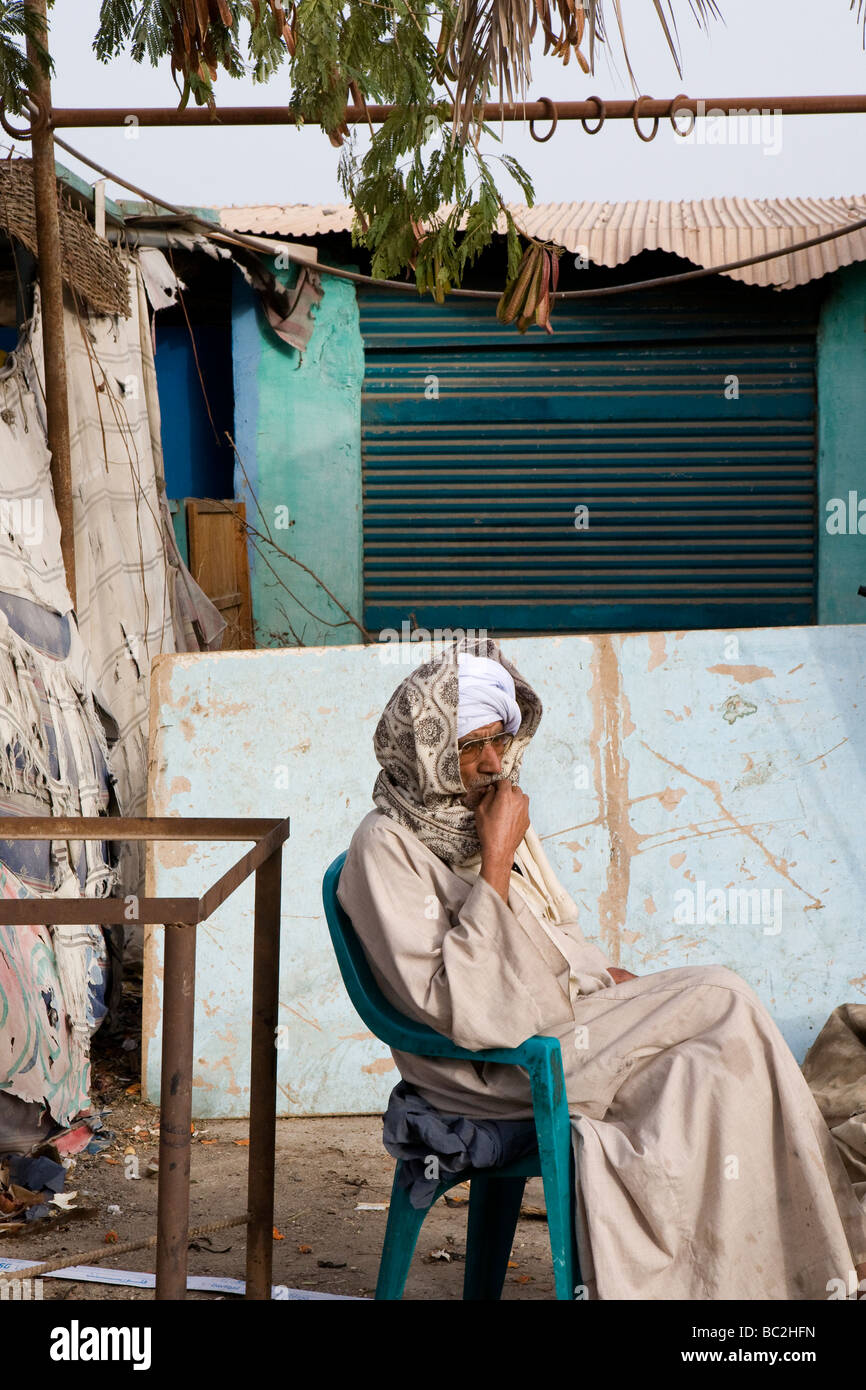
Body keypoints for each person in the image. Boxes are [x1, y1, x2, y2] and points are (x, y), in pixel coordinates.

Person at [337, 636, 866, 1299]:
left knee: (710, 1072)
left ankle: (752, 1282)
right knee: (725, 994)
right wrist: (497, 863)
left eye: (499, 740)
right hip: (488, 1068)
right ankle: (846, 1240)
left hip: (561, 1026)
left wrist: (599, 974)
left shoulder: (480, 816)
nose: (493, 762)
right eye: (470, 746)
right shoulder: (384, 848)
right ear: (427, 747)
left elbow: (558, 932)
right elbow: (461, 1011)